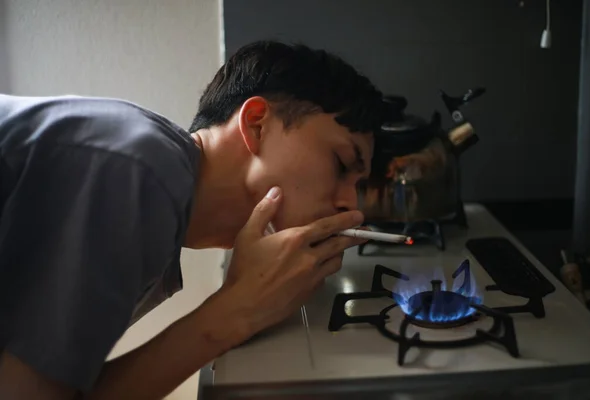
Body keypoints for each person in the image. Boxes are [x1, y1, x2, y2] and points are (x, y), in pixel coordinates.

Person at [0, 40, 384, 399]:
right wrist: (237, 309)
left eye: (358, 184)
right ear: (256, 124)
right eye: (341, 164)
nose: (349, 204)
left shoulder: (157, 187)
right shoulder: (139, 169)